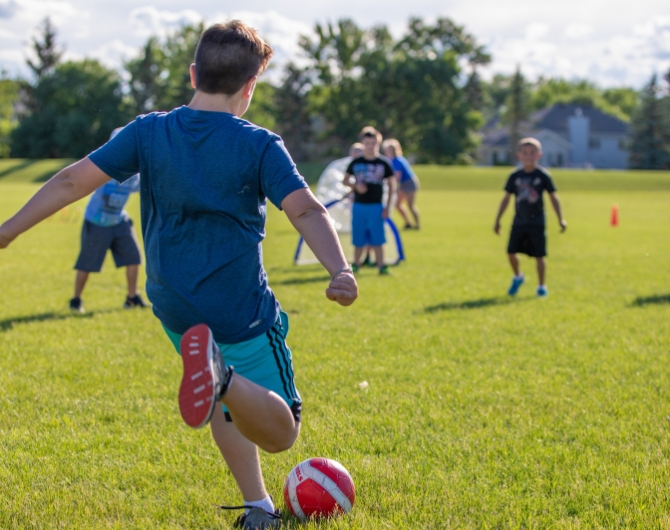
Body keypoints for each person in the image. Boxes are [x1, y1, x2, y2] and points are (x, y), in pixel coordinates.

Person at [0, 20, 358, 530]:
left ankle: (257, 505)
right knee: (282, 434)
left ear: (193, 73)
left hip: (173, 305)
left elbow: (71, 180)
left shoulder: (147, 132)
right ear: (250, 87)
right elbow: (305, 210)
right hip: (240, 312)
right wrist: (340, 269)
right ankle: (223, 377)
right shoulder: (259, 145)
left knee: (219, 397)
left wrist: (9, 230)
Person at [70, 127, 146, 313]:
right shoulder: (102, 168)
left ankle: (132, 297)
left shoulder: (134, 174)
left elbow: (142, 187)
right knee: (87, 264)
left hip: (119, 221)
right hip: (97, 222)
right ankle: (76, 300)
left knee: (133, 258)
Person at [494, 137, 567, 297]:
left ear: (538, 155)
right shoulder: (515, 176)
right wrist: (498, 219)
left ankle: (541, 287)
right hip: (519, 220)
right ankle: (518, 276)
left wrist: (561, 219)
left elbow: (553, 197)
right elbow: (506, 199)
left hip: (537, 221)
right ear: (519, 155)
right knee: (511, 252)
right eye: (525, 153)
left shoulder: (543, 175)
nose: (528, 156)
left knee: (539, 256)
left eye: (532, 153)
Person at [343, 126, 396, 275]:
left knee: (378, 238)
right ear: (362, 143)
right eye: (367, 143)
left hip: (376, 206)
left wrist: (388, 207)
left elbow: (392, 185)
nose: (370, 146)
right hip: (359, 205)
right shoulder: (356, 162)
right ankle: (356, 265)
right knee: (358, 237)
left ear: (378, 144)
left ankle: (381, 266)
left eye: (373, 143)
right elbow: (345, 180)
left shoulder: (383, 163)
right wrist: (356, 186)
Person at [382, 138, 420, 230]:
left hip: (409, 183)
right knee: (397, 204)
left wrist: (390, 185)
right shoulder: (389, 160)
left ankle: (418, 225)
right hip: (402, 184)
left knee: (410, 205)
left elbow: (397, 177)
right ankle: (408, 223)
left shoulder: (398, 160)